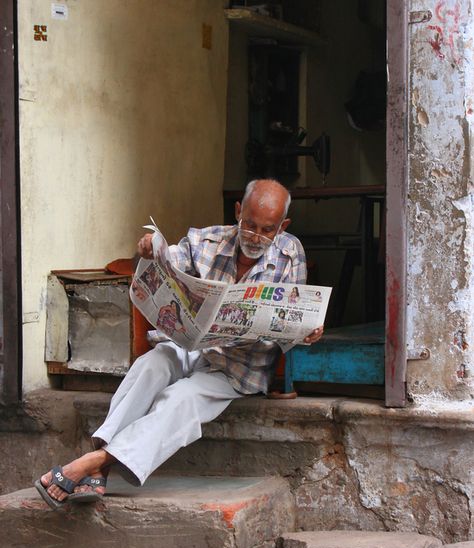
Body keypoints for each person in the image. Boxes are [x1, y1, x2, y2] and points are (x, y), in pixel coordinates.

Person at [35, 179, 324, 509]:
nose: (256, 237)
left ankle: (93, 463)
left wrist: (306, 331)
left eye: (267, 230)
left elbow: (291, 317)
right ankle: (98, 464)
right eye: (250, 225)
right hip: (189, 344)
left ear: (282, 226)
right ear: (238, 212)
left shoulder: (290, 254)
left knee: (181, 398)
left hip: (237, 367)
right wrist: (144, 252)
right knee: (151, 365)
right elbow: (152, 267)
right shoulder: (203, 240)